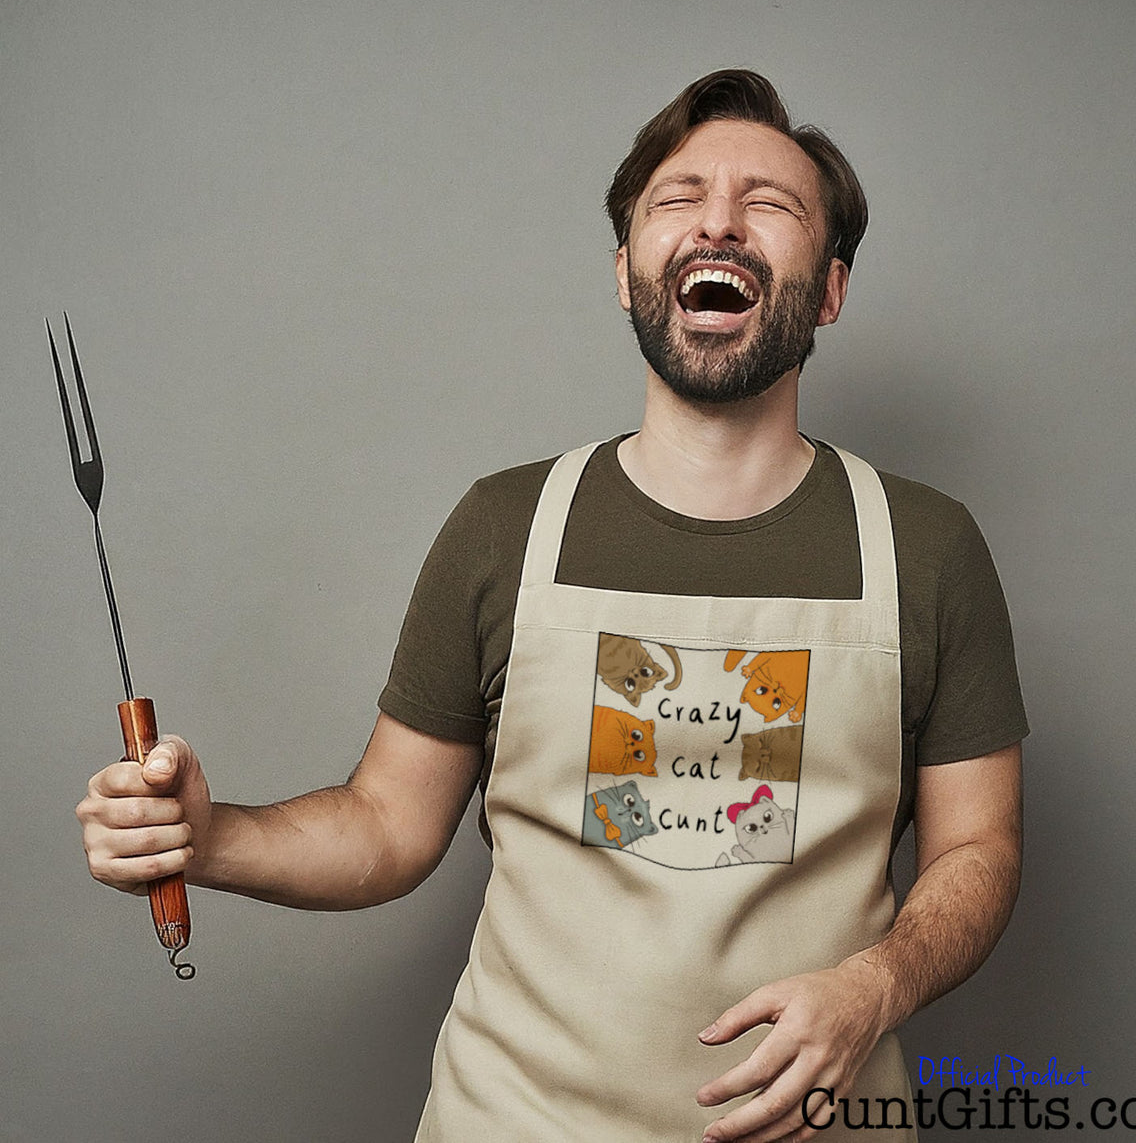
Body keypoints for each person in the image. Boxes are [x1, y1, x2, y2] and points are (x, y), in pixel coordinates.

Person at [76, 69, 1027, 1142]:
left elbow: (977, 849)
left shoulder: (927, 547)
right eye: (677, 198)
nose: (718, 218)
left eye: (770, 202)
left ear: (829, 288)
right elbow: (388, 823)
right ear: (626, 273)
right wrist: (208, 838)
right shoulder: (503, 526)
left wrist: (879, 985)